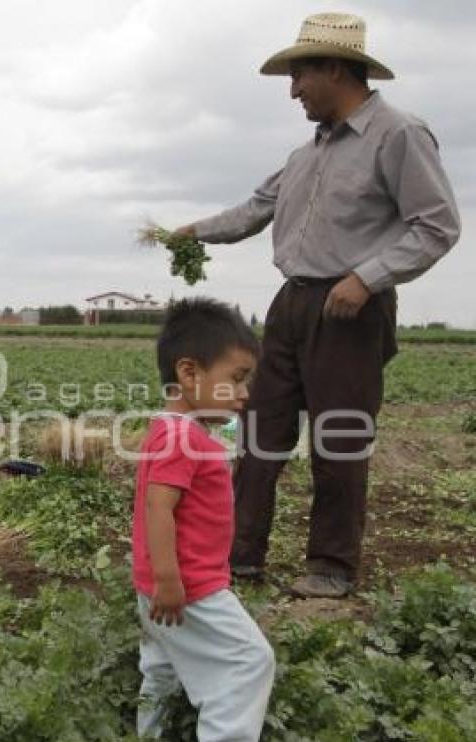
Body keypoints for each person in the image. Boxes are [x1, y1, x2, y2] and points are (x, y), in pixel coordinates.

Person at [174, 13, 461, 597]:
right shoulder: (304, 155)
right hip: (291, 306)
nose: (293, 88)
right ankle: (239, 560)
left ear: (334, 67)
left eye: (300, 73)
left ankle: (330, 569)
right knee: (258, 435)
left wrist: (368, 277)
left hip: (351, 310)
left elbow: (437, 225)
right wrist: (189, 232)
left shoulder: (399, 134)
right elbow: (253, 211)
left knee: (339, 441)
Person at [133, 298, 275, 742]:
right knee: (250, 661)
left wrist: (158, 582)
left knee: (163, 669)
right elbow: (159, 507)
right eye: (236, 379)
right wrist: (171, 581)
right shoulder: (184, 438)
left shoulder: (174, 429)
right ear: (189, 373)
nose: (244, 393)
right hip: (189, 588)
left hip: (160, 586)